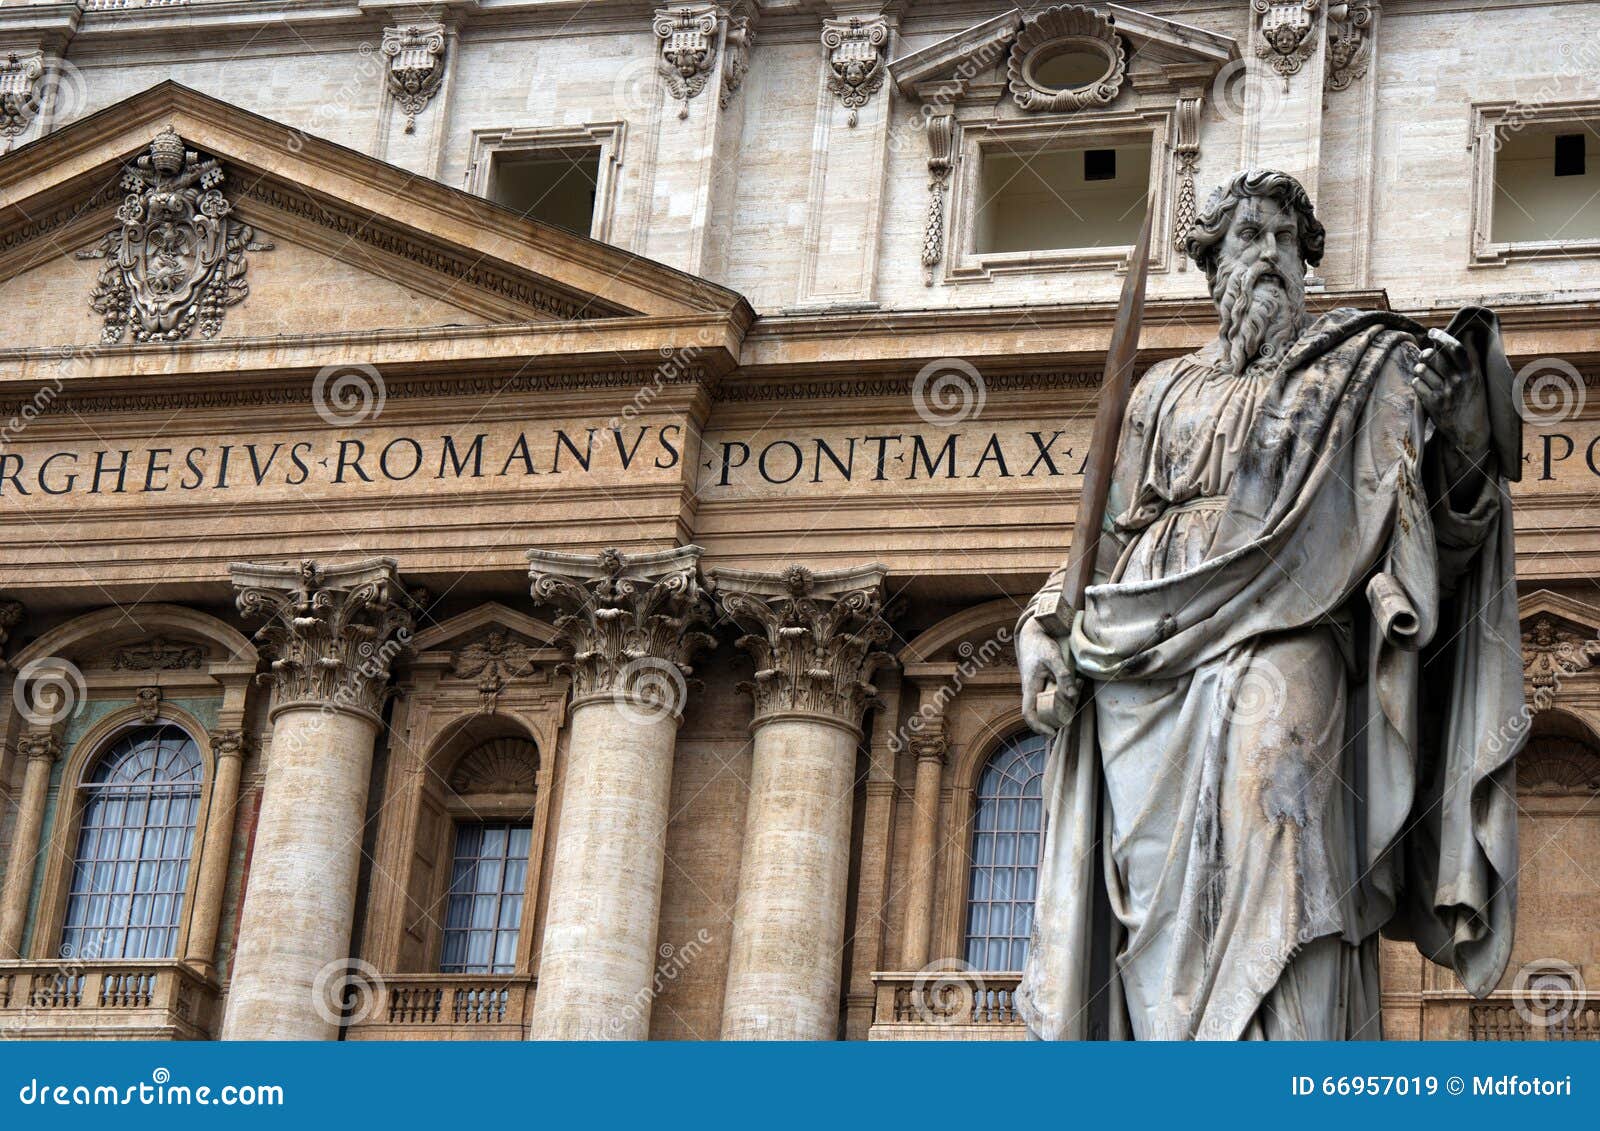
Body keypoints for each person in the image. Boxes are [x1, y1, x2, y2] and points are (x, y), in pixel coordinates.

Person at [1014, 169, 1525, 1040]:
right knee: (1159, 891)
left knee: (1282, 820)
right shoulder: (1159, 392)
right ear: (1213, 264)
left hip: (1292, 629)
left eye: (1287, 240)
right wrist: (1041, 632)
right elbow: (1095, 549)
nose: (1271, 257)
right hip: (1145, 652)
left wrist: (1463, 428)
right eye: (1249, 238)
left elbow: (1443, 537)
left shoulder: (1364, 371)